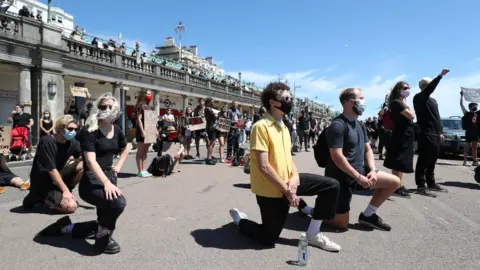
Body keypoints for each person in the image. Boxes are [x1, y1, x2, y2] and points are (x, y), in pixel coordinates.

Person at [229, 82, 341, 252]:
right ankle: (241, 221)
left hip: (289, 181)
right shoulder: (261, 127)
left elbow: (289, 159)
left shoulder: (285, 128)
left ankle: (313, 233)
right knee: (268, 238)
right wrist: (288, 192)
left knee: (331, 185)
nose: (291, 101)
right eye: (287, 98)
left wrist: (294, 179)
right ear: (273, 102)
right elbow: (264, 166)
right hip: (270, 188)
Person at [38, 93, 130, 254]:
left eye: (110, 107)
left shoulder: (117, 130)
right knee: (117, 203)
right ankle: (103, 237)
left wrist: (118, 167)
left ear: (116, 110)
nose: (106, 109)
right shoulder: (90, 130)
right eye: (103, 106)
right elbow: (90, 161)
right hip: (92, 179)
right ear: (97, 108)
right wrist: (106, 183)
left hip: (110, 176)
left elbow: (126, 147)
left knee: (104, 214)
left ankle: (65, 228)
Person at [324, 87, 400, 230]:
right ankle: (312, 211)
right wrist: (358, 177)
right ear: (351, 102)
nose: (364, 102)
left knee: (395, 182)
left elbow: (367, 149)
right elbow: (336, 156)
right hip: (342, 178)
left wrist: (372, 169)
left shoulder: (359, 124)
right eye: (361, 98)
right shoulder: (338, 125)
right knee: (341, 224)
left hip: (361, 172)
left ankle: (368, 215)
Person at [22, 115, 83, 213]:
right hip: (43, 182)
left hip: (58, 177)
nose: (73, 132)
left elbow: (83, 156)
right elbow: (51, 170)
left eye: (76, 129)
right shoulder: (46, 141)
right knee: (71, 207)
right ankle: (37, 196)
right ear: (60, 128)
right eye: (70, 129)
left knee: (84, 165)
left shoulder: (72, 142)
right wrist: (65, 191)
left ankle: (64, 192)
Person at [413, 68, 450, 197]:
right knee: (424, 159)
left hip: (435, 133)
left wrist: (440, 132)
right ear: (423, 86)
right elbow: (430, 89)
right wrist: (440, 76)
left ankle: (431, 182)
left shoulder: (433, 101)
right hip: (425, 133)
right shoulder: (418, 98)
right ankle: (421, 185)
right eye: (428, 85)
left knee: (433, 159)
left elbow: (437, 117)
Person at [383, 82, 416, 198]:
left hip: (404, 134)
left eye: (409, 88)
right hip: (401, 134)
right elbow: (411, 116)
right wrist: (409, 108)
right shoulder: (396, 103)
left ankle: (398, 184)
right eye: (406, 88)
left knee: (401, 162)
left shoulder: (401, 102)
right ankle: (396, 186)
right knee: (398, 162)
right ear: (399, 89)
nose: (408, 90)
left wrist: (407, 107)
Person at [135, 90, 154, 177]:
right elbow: (139, 119)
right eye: (148, 94)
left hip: (149, 131)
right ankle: (140, 171)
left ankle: (144, 169)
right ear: (144, 95)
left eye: (150, 94)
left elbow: (152, 120)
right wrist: (142, 131)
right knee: (140, 151)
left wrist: (155, 131)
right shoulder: (140, 106)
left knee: (145, 151)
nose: (150, 95)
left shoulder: (149, 107)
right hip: (142, 131)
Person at [460, 90, 478, 166]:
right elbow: (461, 104)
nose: (476, 107)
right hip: (468, 132)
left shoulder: (478, 114)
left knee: (474, 147)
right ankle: (465, 161)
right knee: (467, 147)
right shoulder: (466, 113)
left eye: (476, 106)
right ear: (470, 107)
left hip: (476, 132)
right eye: (474, 106)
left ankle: (475, 161)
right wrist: (461, 96)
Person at [204, 97, 218, 165]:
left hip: (212, 127)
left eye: (213, 101)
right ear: (208, 102)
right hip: (211, 127)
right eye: (211, 102)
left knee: (212, 143)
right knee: (211, 143)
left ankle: (210, 157)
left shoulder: (210, 109)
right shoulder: (207, 109)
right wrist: (216, 114)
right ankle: (209, 158)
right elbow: (215, 116)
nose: (213, 102)